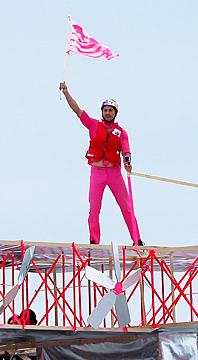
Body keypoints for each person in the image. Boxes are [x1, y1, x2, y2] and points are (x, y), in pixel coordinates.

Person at [59, 81, 143, 246]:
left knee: (126, 207)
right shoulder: (94, 125)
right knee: (94, 208)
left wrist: (128, 162)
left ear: (115, 112)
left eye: (111, 110)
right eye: (105, 110)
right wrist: (67, 93)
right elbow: (78, 111)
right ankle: (93, 240)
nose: (108, 113)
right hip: (97, 172)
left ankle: (137, 239)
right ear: (102, 112)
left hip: (114, 173)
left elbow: (126, 150)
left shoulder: (121, 132)